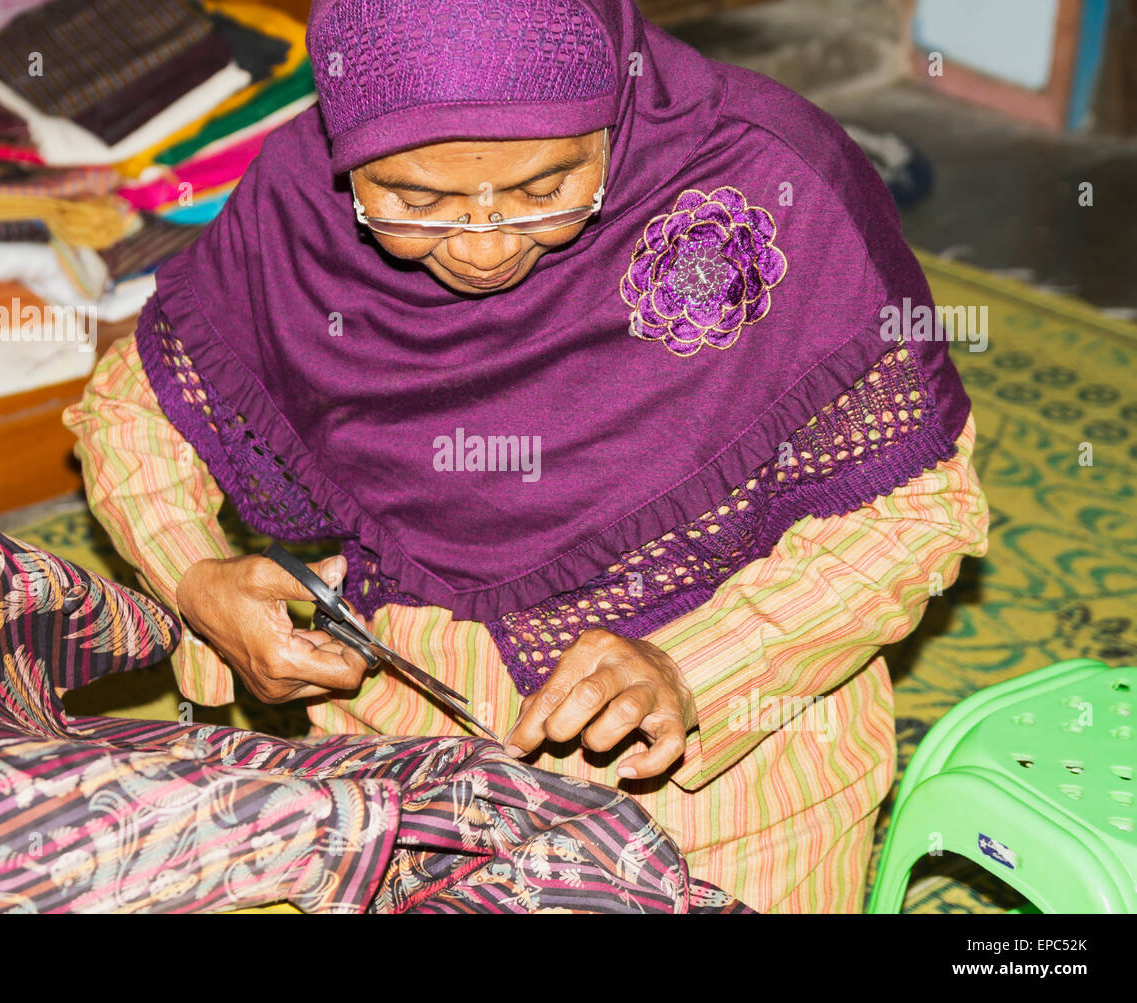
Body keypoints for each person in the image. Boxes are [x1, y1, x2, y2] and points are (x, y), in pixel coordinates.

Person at [65, 0, 989, 913]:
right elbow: (132, 410)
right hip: (408, 767)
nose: (483, 247)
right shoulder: (302, 197)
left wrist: (695, 665)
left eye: (545, 189)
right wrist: (194, 578)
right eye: (413, 202)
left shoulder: (768, 179)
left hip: (725, 793)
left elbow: (918, 510)